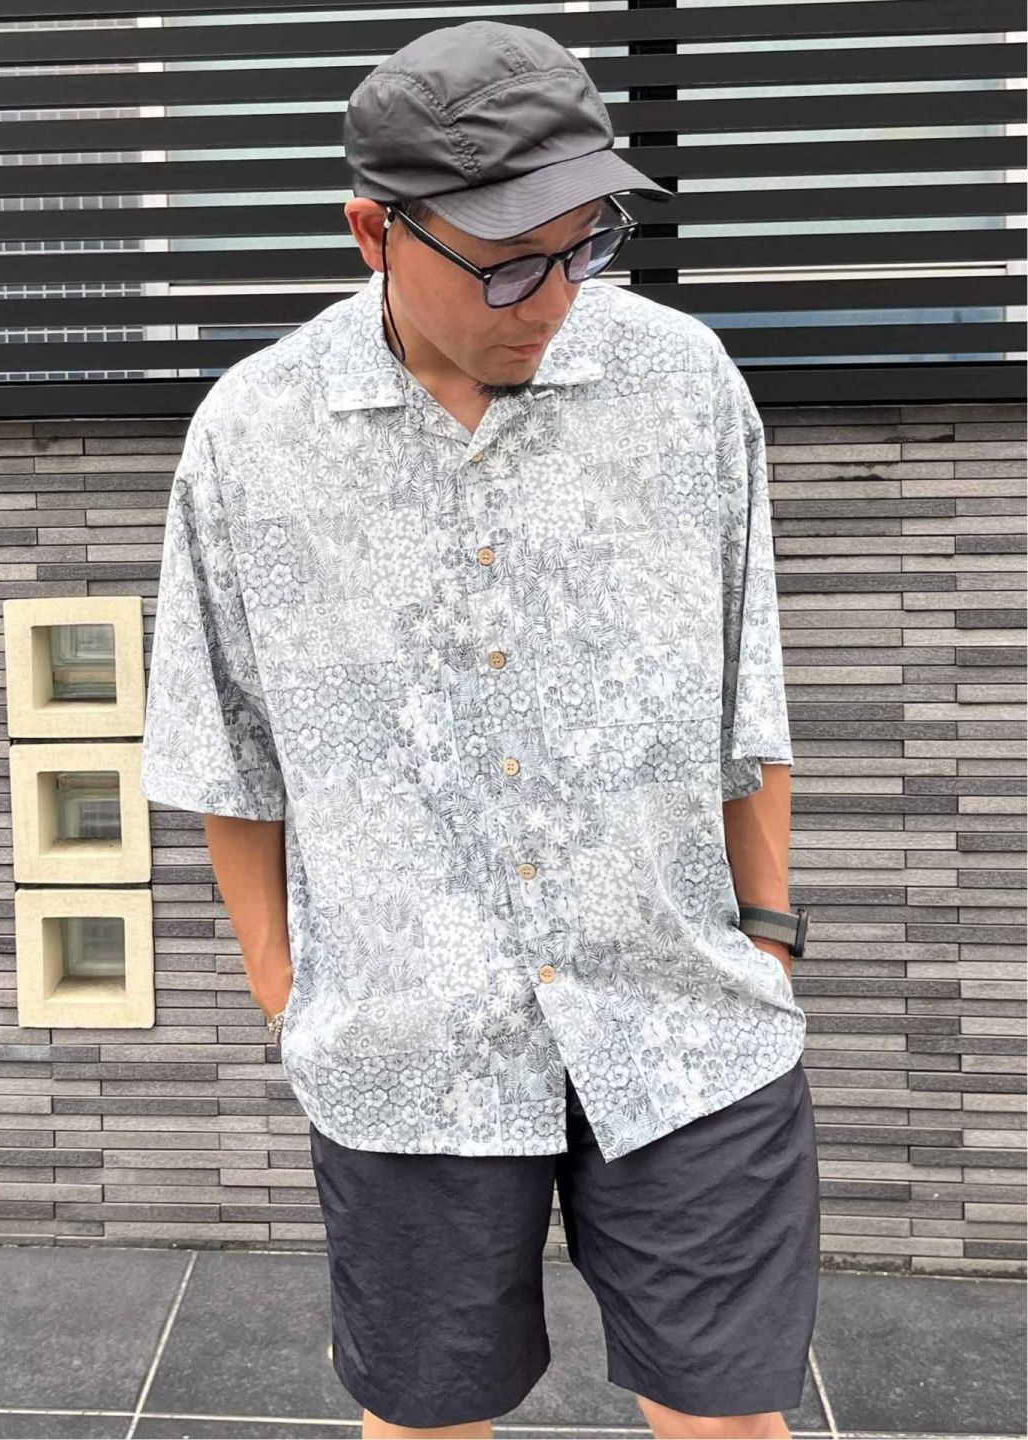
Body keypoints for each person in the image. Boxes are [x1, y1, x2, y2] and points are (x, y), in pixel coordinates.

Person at [140, 18, 820, 1440]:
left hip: (686, 1018)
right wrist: (290, 998)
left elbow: (743, 693)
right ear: (373, 232)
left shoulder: (684, 385)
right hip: (405, 1044)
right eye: (509, 261)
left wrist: (766, 937)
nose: (554, 296)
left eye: (585, 245)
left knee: (729, 1420)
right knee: (429, 1422)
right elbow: (226, 751)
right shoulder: (252, 436)